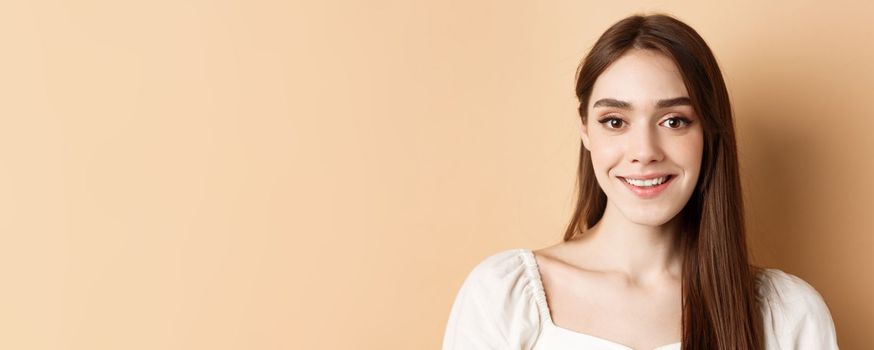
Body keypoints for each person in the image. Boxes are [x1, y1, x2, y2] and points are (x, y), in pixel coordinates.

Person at [441, 13, 839, 350]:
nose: (644, 151)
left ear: (710, 132)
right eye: (615, 122)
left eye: (674, 121)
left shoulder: (788, 315)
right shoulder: (503, 297)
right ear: (585, 131)